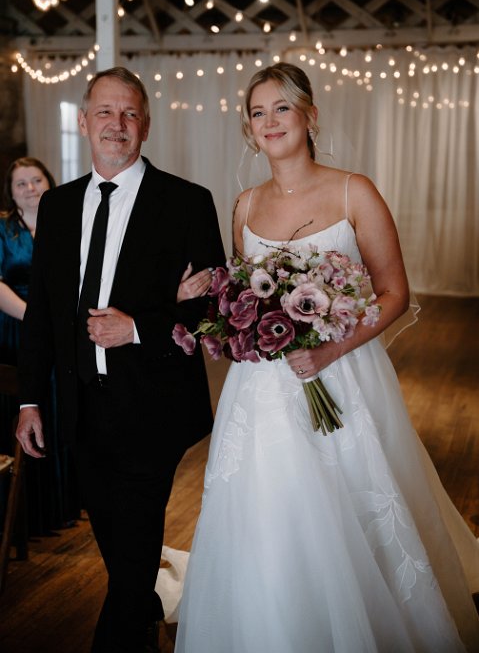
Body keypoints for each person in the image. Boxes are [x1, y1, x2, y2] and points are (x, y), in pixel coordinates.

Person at [174, 62, 479, 652]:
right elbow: (247, 296)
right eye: (258, 113)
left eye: (281, 108)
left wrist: (330, 348)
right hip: (262, 389)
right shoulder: (244, 206)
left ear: (309, 116)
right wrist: (209, 297)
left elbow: (394, 293)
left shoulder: (353, 191)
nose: (270, 122)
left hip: (342, 374)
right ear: (248, 129)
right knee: (267, 510)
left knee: (352, 506)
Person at [15, 67, 225, 652]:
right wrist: (29, 399)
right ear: (84, 122)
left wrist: (138, 328)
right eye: (105, 112)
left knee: (133, 542)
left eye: (130, 113)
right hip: (81, 405)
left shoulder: (186, 202)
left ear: (146, 126)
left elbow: (212, 309)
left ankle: (121, 637)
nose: (117, 124)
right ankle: (145, 608)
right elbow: (42, 314)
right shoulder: (58, 206)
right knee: (116, 537)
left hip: (153, 404)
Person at [0, 157, 80, 535]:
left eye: (36, 180)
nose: (30, 188)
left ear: (50, 182)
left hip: (61, 332)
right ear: (11, 192)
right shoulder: (2, 229)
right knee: (21, 411)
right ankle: (23, 516)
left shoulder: (68, 223)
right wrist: (35, 318)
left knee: (57, 410)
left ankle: (61, 507)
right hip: (14, 330)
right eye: (21, 183)